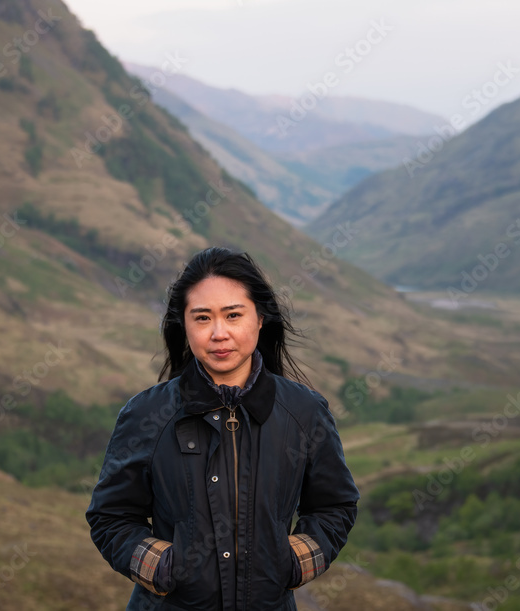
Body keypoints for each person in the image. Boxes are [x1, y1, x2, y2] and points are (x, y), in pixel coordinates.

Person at [86, 247, 359, 610]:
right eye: (202, 318)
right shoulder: (146, 414)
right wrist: (164, 567)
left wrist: (293, 562)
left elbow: (335, 506)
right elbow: (110, 517)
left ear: (260, 319)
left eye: (233, 315)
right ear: (184, 325)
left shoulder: (305, 412)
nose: (219, 333)